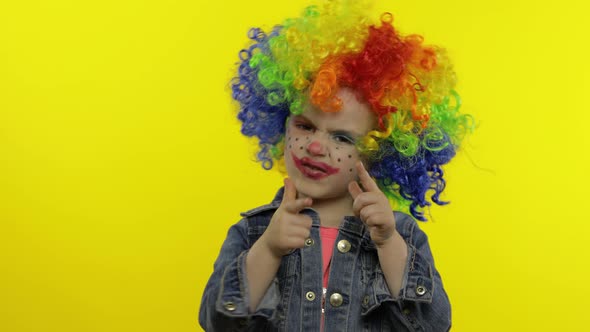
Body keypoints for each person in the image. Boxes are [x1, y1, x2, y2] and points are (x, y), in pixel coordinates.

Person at [199, 0, 472, 330]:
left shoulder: (400, 235)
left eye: (342, 138)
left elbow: (433, 325)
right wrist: (269, 250)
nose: (315, 146)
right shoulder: (254, 233)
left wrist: (388, 244)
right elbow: (217, 321)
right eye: (305, 126)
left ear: (380, 151)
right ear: (281, 122)